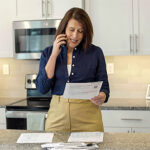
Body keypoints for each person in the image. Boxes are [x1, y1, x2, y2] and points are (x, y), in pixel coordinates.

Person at [36, 7, 110, 132]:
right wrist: (54, 54)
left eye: (80, 31)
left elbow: (104, 86)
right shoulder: (48, 52)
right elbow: (42, 88)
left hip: (88, 118)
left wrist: (103, 95)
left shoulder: (95, 52)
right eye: (71, 30)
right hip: (57, 117)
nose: (75, 35)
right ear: (64, 28)